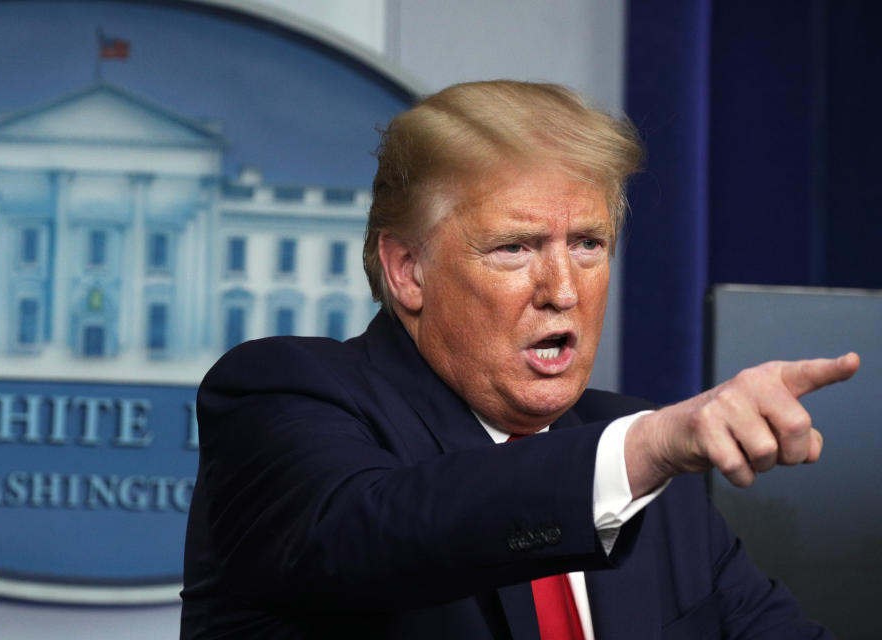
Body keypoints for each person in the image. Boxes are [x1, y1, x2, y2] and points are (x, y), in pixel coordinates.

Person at [180, 81, 859, 639]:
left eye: (588, 243)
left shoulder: (650, 466)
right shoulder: (282, 396)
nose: (563, 289)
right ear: (408, 270)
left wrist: (648, 448)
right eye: (515, 247)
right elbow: (373, 532)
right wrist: (646, 448)